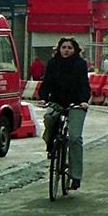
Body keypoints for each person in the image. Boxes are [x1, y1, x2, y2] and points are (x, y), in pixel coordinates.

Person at [39, 37, 90, 190]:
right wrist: (43, 98)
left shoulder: (80, 64)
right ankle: (51, 146)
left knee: (74, 138)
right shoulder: (53, 63)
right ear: (59, 49)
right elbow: (46, 82)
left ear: (75, 50)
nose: (66, 50)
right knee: (49, 118)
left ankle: (75, 176)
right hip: (57, 102)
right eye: (63, 47)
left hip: (76, 104)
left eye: (69, 48)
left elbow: (84, 84)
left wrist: (83, 101)